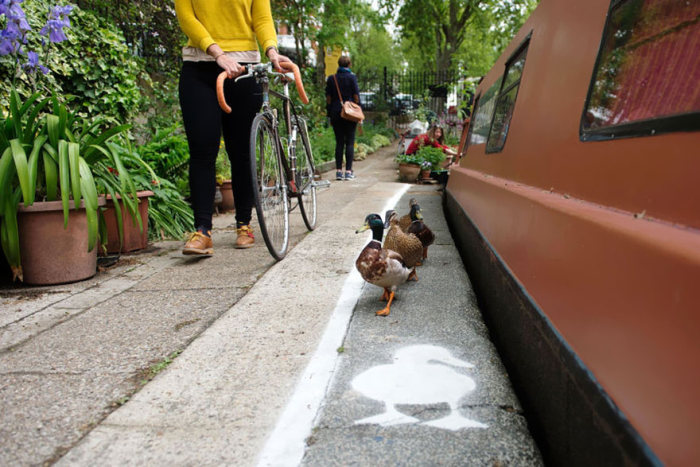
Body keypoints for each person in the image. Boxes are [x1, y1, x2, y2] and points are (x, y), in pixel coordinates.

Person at [175, 0, 288, 256]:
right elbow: (187, 18)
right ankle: (202, 231)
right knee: (203, 149)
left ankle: (244, 224)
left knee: (241, 152)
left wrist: (271, 50)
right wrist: (218, 53)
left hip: (244, 69)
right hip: (199, 68)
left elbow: (261, 19)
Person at [325, 56, 361, 181]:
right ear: (349, 64)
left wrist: (329, 113)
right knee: (350, 142)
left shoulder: (331, 79)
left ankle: (339, 172)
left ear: (338, 64)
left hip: (336, 113)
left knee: (339, 142)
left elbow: (328, 98)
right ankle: (349, 171)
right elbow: (356, 96)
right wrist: (358, 109)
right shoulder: (352, 78)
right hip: (350, 114)